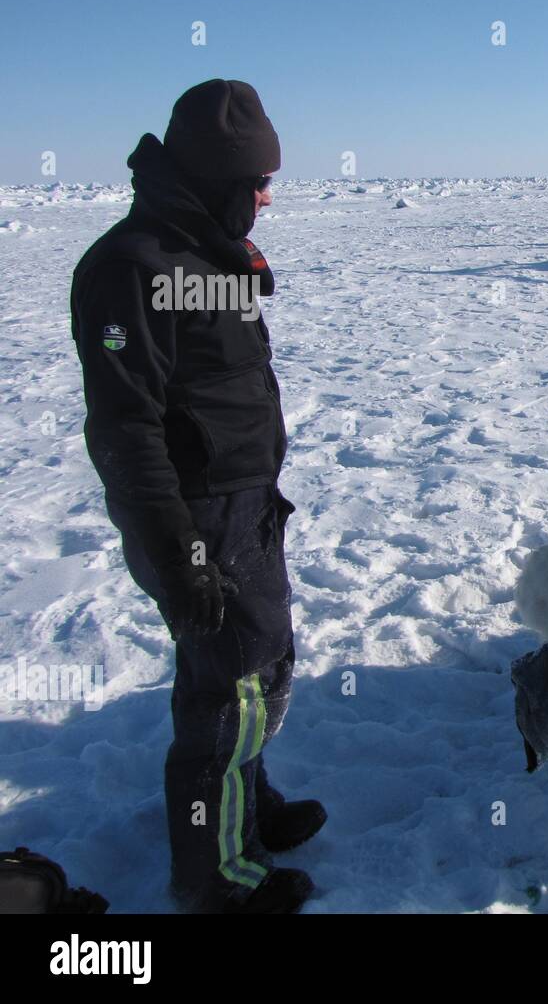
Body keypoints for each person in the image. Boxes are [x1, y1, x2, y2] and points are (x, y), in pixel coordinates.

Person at [70, 80, 323, 914]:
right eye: (255, 182)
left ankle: (245, 804)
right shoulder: (128, 267)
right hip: (196, 518)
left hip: (245, 503)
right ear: (216, 179)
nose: (266, 196)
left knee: (258, 670)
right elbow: (124, 429)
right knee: (228, 693)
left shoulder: (204, 249)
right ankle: (215, 877)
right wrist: (179, 552)